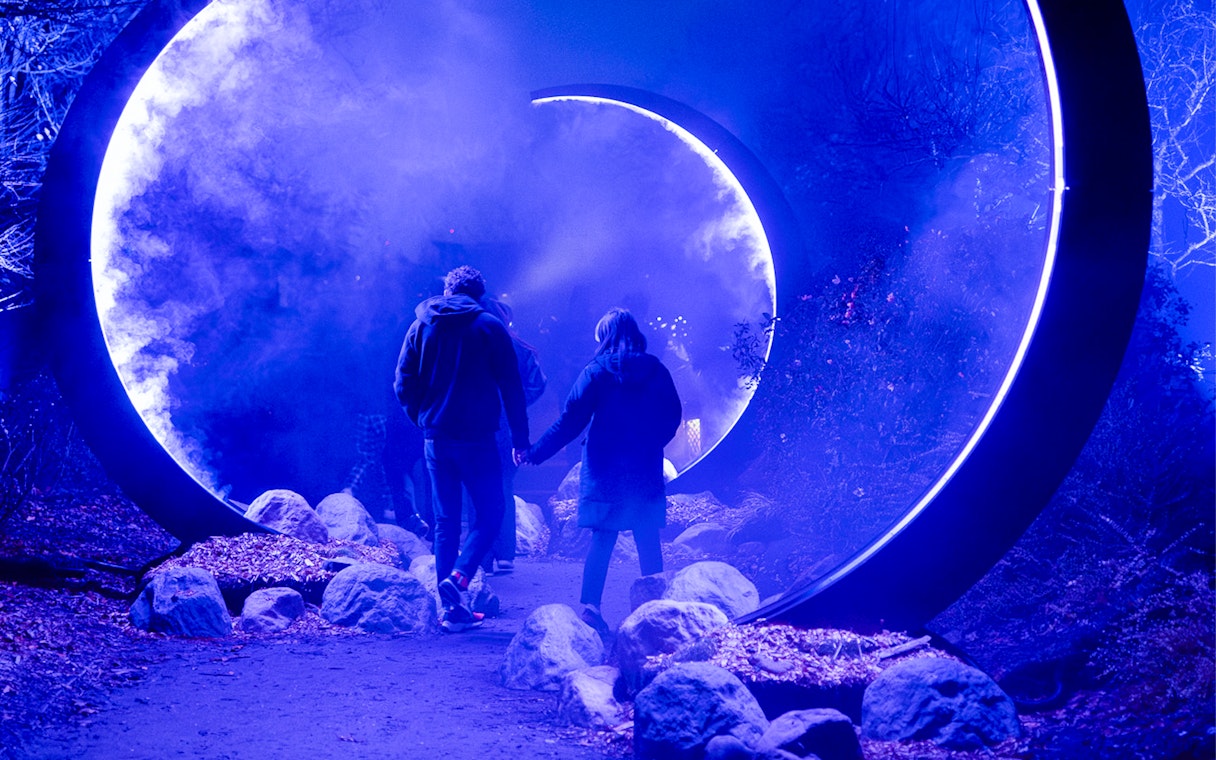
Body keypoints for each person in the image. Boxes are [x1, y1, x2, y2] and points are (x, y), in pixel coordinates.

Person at [521, 308, 681, 636]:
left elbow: (570, 422)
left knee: (603, 538)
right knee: (647, 536)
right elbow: (673, 414)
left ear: (603, 337)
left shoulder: (595, 372)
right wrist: (654, 441)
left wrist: (535, 453)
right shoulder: (657, 370)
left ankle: (591, 610)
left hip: (605, 466)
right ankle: (655, 611)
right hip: (642, 465)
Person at [394, 265, 530, 632]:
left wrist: (423, 418)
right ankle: (460, 577)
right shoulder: (490, 327)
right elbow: (512, 388)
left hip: (436, 439)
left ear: (448, 290)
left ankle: (451, 612)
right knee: (490, 512)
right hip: (478, 438)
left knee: (445, 521)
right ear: (479, 293)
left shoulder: (421, 324)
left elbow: (402, 382)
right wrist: (520, 439)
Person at [478, 297, 546, 575]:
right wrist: (516, 403)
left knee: (478, 490)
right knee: (504, 487)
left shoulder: (473, 345)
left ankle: (482, 556)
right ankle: (505, 553)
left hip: (478, 425)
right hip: (509, 425)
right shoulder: (519, 347)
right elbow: (538, 383)